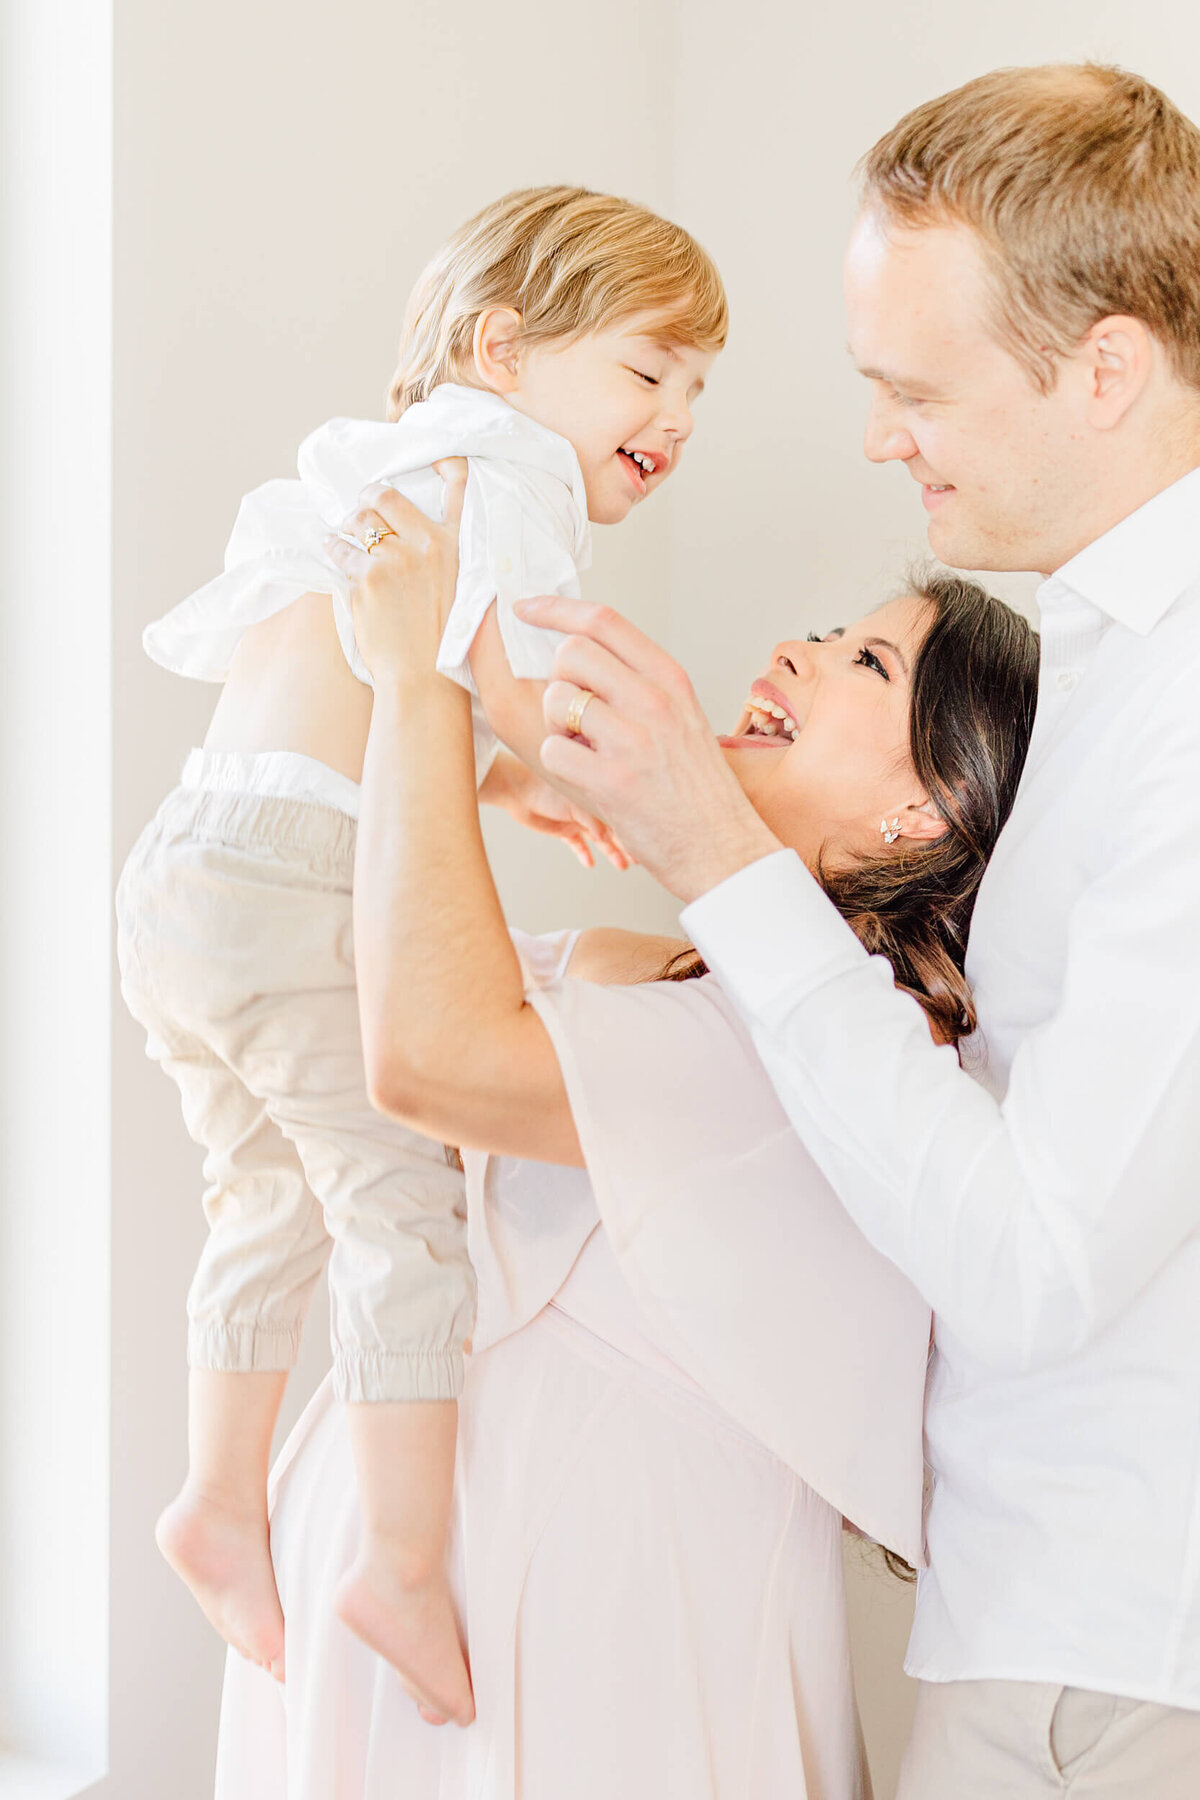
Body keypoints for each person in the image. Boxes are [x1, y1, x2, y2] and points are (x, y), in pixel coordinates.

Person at [514, 64, 1200, 1797]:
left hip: (1124, 1673)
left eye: (915, 390)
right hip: (1039, 1625)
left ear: (1106, 367)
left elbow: (1035, 1267)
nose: (882, 437)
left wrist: (714, 858)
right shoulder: (1117, 664)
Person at [212, 461, 1038, 1799]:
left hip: (612, 1658)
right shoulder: (647, 977)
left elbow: (431, 1054)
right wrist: (480, 769)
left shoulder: (868, 1051)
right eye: (829, 634)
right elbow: (351, 982)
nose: (799, 653)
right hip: (426, 1639)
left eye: (867, 665)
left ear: (925, 809)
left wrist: (428, 681)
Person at [114, 184, 725, 1725]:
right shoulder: (503, 464)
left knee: (263, 1199)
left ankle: (217, 1499)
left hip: (192, 870)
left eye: (700, 393)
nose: (678, 418)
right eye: (650, 374)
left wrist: (506, 779)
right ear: (501, 349)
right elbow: (519, 677)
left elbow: (388, 682)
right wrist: (631, 776)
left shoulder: (383, 475)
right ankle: (397, 1561)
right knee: (405, 1211)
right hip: (297, 880)